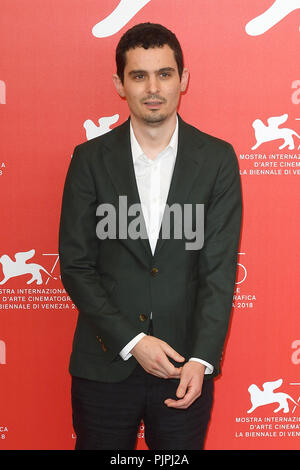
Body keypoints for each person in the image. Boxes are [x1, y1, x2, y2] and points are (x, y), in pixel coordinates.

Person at [58, 22, 242, 450]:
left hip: (186, 368)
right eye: (139, 75)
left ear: (184, 79)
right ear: (119, 84)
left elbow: (218, 269)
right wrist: (132, 341)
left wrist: (202, 359)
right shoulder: (88, 161)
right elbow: (76, 265)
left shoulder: (217, 160)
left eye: (164, 73)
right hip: (104, 365)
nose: (153, 87)